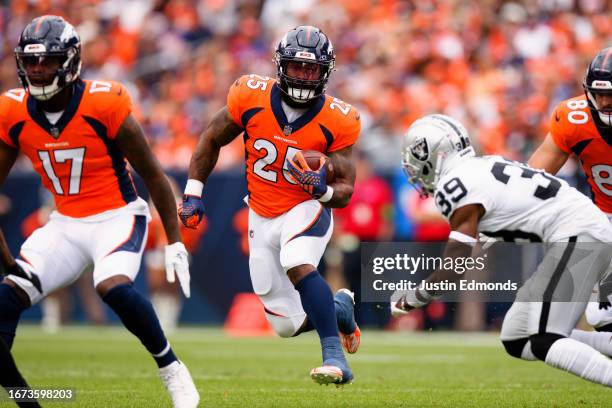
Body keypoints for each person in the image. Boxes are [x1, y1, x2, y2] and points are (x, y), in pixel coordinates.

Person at [0, 16, 198, 407]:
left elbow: (155, 176)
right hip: (64, 224)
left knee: (113, 287)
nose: (38, 69)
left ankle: (171, 368)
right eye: (32, 61)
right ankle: (27, 401)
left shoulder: (103, 102)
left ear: (70, 62)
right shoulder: (12, 111)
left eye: (48, 60)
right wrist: (7, 261)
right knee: (5, 304)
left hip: (118, 215)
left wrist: (175, 242)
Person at [179, 26, 360, 384]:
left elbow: (346, 189)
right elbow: (211, 138)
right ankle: (338, 308)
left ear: (325, 72)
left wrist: (320, 190)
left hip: (306, 207)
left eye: (312, 70)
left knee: (298, 261)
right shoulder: (250, 95)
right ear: (281, 66)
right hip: (261, 211)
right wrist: (194, 191)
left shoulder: (338, 118)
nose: (305, 76)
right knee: (284, 325)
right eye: (297, 68)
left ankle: (335, 357)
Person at [393, 114, 612, 386]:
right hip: (584, 229)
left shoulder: (454, 184)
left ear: (433, 155)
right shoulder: (484, 164)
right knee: (517, 337)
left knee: (545, 339)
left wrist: (414, 296)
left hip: (579, 234)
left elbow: (455, 265)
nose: (415, 169)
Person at [528, 47, 612, 332]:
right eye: (599, 94)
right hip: (604, 221)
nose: (603, 102)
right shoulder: (575, 119)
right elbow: (534, 178)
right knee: (602, 316)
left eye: (611, 95)